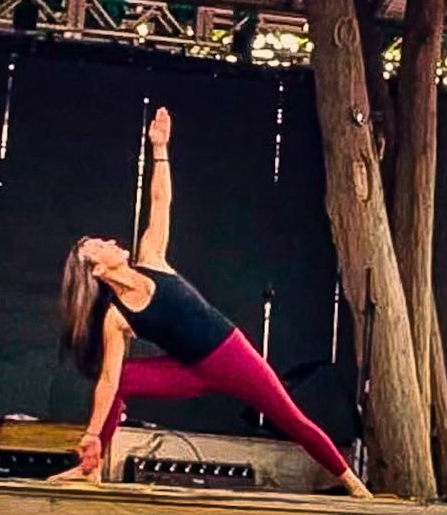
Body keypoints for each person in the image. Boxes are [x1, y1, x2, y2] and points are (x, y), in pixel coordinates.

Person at [52, 106, 372, 498]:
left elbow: (160, 200)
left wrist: (160, 148)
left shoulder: (150, 257)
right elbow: (107, 381)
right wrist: (90, 434)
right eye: (98, 246)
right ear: (95, 271)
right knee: (120, 380)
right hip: (188, 370)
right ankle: (91, 469)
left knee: (291, 418)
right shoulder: (116, 318)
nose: (110, 241)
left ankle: (356, 486)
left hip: (230, 353)